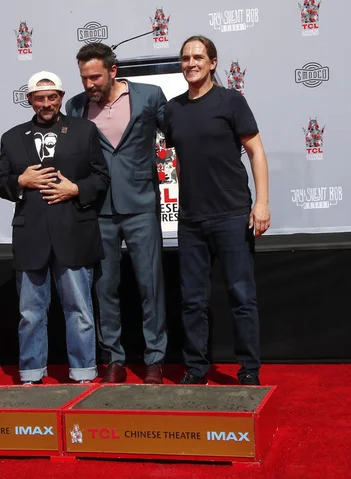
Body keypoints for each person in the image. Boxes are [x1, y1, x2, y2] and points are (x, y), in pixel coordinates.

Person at [163, 35, 270, 386]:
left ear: (212, 62)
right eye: (185, 58)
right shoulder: (172, 109)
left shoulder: (231, 101)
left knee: (241, 296)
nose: (191, 63)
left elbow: (255, 151)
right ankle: (196, 369)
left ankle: (249, 370)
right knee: (192, 301)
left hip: (231, 214)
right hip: (191, 219)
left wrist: (262, 202)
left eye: (198, 57)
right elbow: (171, 159)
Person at [0, 71, 110, 385]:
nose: (46, 103)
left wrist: (76, 190)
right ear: (29, 100)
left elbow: (101, 177)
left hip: (74, 232)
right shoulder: (12, 137)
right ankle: (31, 374)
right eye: (40, 98)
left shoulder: (85, 131)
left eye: (52, 97)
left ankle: (83, 373)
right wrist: (20, 181)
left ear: (60, 97)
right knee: (30, 313)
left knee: (79, 310)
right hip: (32, 236)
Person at [66, 43, 168, 384]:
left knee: (149, 285)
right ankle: (114, 357)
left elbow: (178, 135)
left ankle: (154, 358)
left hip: (140, 205)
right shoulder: (76, 106)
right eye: (84, 78)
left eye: (95, 76)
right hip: (98, 210)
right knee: (105, 287)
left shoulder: (150, 96)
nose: (89, 84)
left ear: (113, 70)